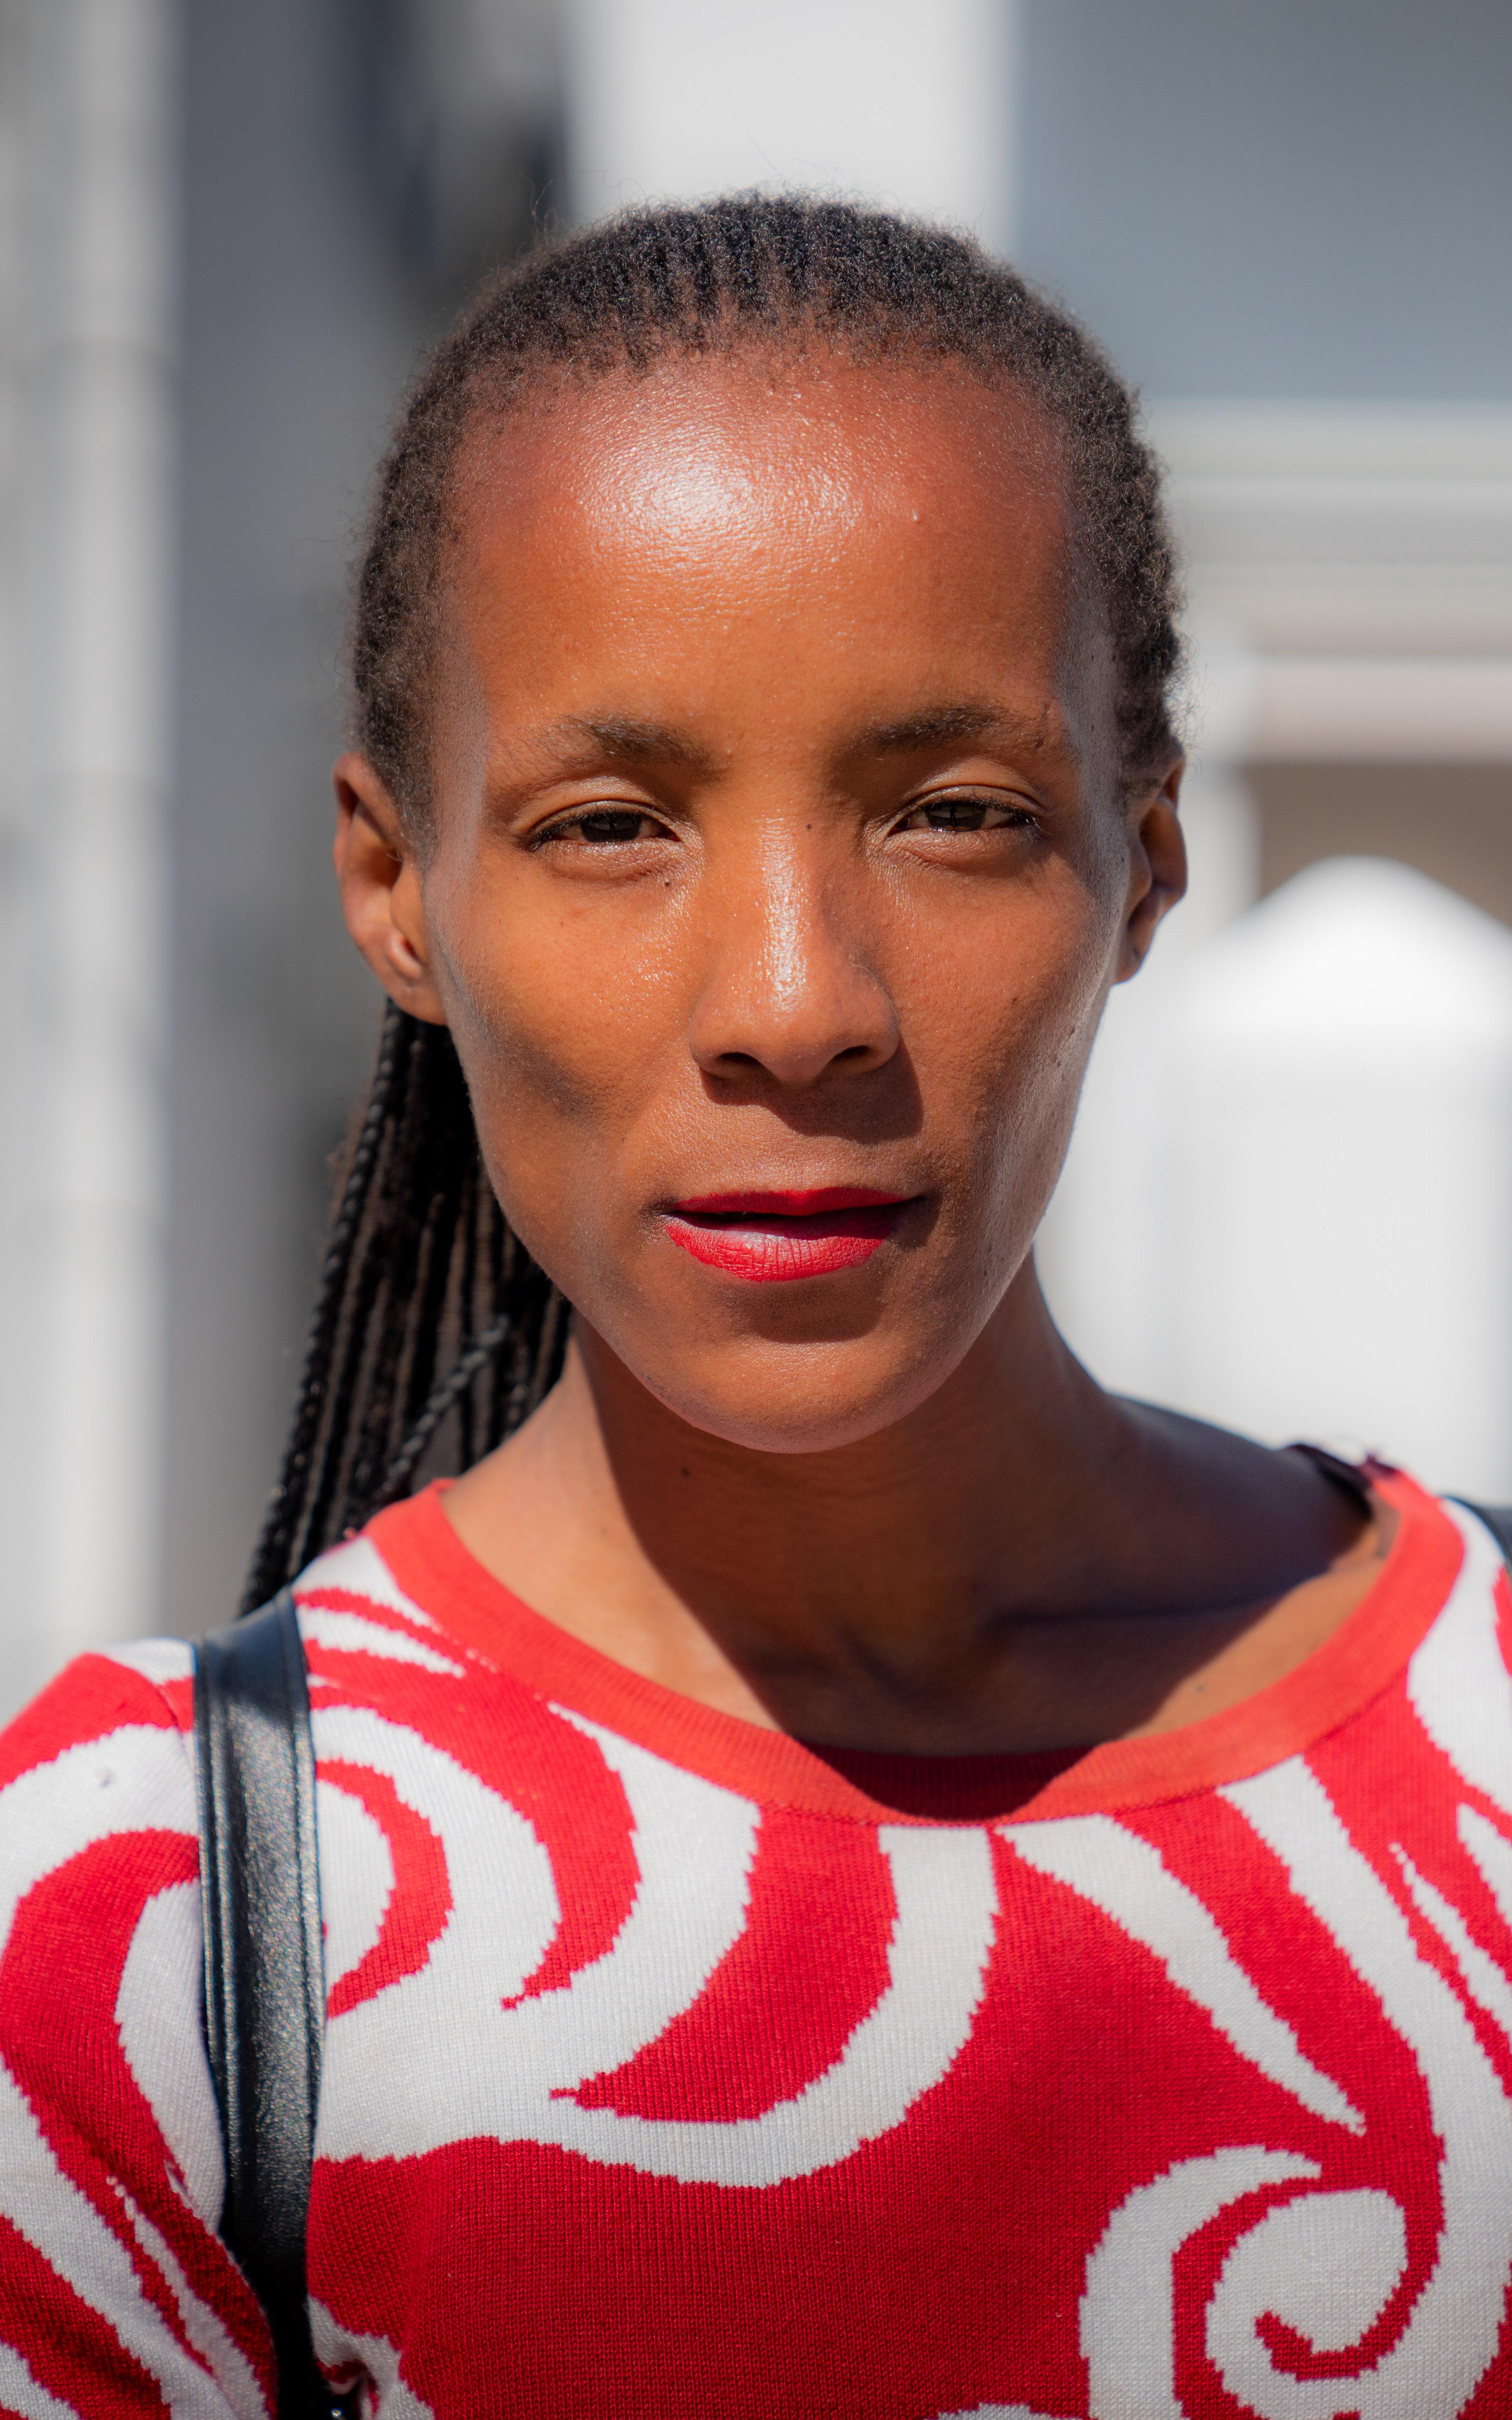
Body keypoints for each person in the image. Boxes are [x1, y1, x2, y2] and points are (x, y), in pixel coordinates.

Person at [3, 195, 1511, 2420]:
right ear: (395, 889)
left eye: (959, 813)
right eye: (612, 826)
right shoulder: (143, 1932)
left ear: (1147, 860)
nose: (798, 1006)